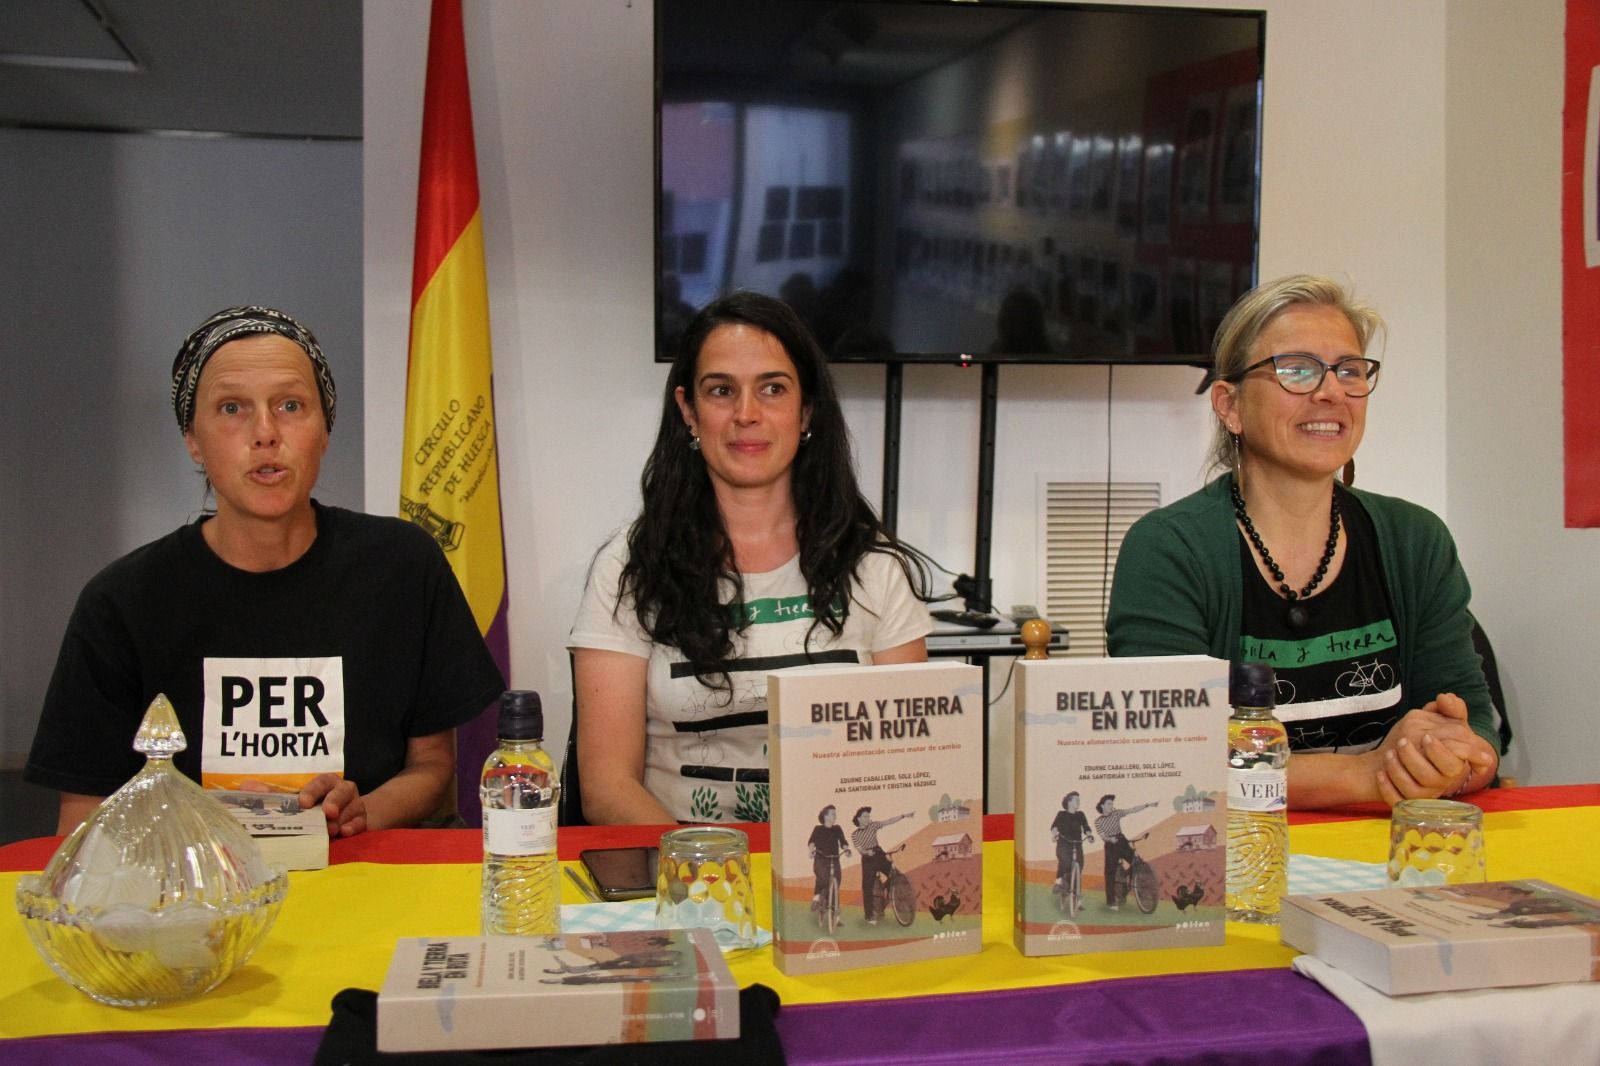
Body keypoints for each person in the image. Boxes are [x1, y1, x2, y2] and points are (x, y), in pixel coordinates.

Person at [25, 306, 504, 837]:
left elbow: (433, 770)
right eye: (232, 407)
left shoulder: (402, 566)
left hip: (364, 878)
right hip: (195, 898)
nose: (265, 433)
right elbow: (82, 818)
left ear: (325, 430)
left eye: (291, 405)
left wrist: (360, 812)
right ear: (192, 439)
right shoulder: (120, 601)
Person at [1107, 274, 1500, 809]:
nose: (1332, 391)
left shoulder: (1417, 540)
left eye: (1350, 370)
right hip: (1239, 859)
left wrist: (1456, 755)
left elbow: (1475, 721)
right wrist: (1363, 775)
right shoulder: (1168, 549)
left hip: (1390, 853)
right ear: (1230, 406)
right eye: (1296, 370)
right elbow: (1167, 753)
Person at [569, 291, 932, 825]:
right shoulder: (628, 569)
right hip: (683, 877)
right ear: (688, 411)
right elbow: (606, 787)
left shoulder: (874, 567)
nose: (746, 414)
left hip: (835, 871)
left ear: (806, 409)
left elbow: (912, 767)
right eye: (721, 391)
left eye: (772, 389)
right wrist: (715, 876)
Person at [850, 806, 912, 924]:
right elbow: (859, 849)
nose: (868, 818)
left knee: (896, 874)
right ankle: (869, 916)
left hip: (878, 854)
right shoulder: (855, 834)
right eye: (865, 816)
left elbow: (888, 822)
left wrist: (903, 816)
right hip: (868, 859)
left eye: (869, 816)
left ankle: (891, 892)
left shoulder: (873, 826)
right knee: (866, 887)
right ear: (859, 819)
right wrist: (866, 852)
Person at [1093, 794, 1156, 910]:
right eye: (1109, 803)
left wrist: (1147, 805)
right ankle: (1111, 902)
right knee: (1109, 873)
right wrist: (1109, 839)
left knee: (1137, 861)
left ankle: (1134, 879)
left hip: (1121, 841)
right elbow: (1102, 836)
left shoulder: (1116, 813)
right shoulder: (1098, 821)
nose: (1112, 805)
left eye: (1112, 803)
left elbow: (1131, 810)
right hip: (1110, 845)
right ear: (1102, 806)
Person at [808, 804, 851, 913]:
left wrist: (846, 850)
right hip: (821, 858)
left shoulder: (837, 828)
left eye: (835, 814)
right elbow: (812, 841)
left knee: (837, 881)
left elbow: (843, 841)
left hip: (834, 859)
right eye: (833, 814)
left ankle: (834, 915)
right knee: (823, 878)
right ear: (825, 816)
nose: (835, 816)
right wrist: (811, 850)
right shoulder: (818, 829)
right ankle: (817, 898)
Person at [1050, 790, 1094, 891]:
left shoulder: (1080, 815)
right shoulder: (1061, 814)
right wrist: (1054, 834)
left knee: (1079, 869)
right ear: (1069, 802)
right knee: (1066, 863)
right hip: (1064, 844)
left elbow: (1085, 827)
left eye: (1079, 800)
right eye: (1076, 800)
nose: (1078, 802)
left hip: (1077, 844)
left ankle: (1077, 901)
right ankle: (1059, 881)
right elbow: (1055, 826)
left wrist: (1089, 835)